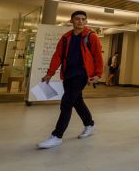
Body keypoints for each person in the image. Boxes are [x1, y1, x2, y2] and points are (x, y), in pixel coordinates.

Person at [37, 10, 103, 149]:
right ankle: (89, 124)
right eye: (77, 19)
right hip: (68, 74)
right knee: (77, 101)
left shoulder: (91, 36)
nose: (80, 21)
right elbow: (58, 56)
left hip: (82, 74)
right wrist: (50, 73)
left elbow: (98, 56)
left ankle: (57, 136)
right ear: (72, 21)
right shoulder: (66, 37)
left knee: (66, 102)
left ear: (86, 22)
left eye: (83, 19)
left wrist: (97, 74)